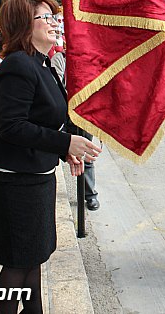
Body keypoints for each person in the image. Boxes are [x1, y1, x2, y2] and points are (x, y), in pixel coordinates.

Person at [0, 0, 101, 314]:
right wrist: (65, 144)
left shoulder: (41, 63)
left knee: (34, 258)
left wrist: (66, 151)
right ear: (24, 26)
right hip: (15, 183)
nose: (53, 23)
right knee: (18, 263)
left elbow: (42, 120)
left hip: (35, 176)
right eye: (44, 18)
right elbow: (11, 126)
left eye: (53, 17)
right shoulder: (19, 64)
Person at [51, 40, 100, 211]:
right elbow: (56, 85)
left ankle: (89, 195)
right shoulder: (59, 59)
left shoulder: (90, 60)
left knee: (85, 155)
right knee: (60, 150)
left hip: (85, 114)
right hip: (64, 112)